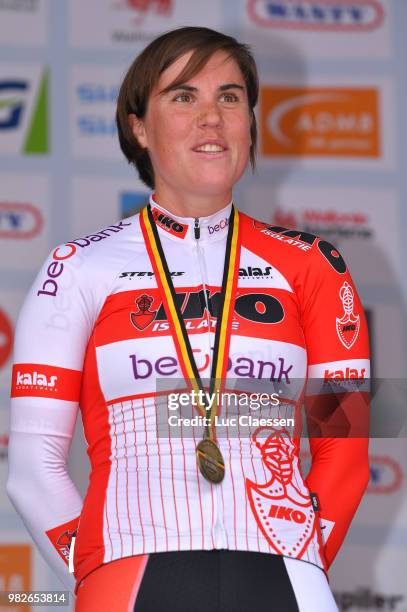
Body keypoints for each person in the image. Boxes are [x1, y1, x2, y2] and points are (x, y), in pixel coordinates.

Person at [7, 27, 370, 612]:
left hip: (284, 572)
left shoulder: (314, 264)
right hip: (127, 572)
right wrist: (94, 568)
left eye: (229, 98)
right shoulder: (78, 268)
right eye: (183, 97)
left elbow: (344, 447)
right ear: (139, 127)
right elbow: (31, 466)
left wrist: (302, 556)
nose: (212, 118)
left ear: (250, 123)